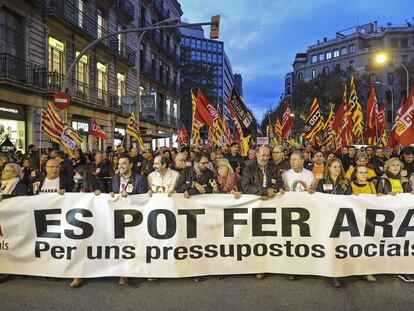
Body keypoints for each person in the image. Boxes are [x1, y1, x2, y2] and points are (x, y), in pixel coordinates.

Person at [309, 158, 351, 287]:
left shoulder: (345, 182)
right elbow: (319, 200)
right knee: (328, 246)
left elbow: (350, 199)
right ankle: (326, 270)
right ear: (329, 168)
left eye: (339, 167)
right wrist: (313, 193)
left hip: (341, 219)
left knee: (338, 247)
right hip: (326, 220)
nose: (337, 169)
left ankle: (336, 274)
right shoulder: (322, 182)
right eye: (334, 167)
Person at [110, 154, 148, 286]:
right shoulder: (114, 178)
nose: (120, 166)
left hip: (135, 217)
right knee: (121, 245)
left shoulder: (140, 179)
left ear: (131, 165)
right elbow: (110, 193)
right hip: (118, 217)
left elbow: (144, 198)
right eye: (119, 163)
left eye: (124, 163)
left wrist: (130, 196)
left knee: (133, 245)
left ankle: (133, 271)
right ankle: (123, 272)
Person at [70, 165, 101, 288]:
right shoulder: (76, 186)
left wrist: (98, 194)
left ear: (84, 175)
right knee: (78, 248)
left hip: (92, 222)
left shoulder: (96, 186)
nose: (75, 176)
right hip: (77, 222)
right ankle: (77, 276)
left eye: (77, 174)